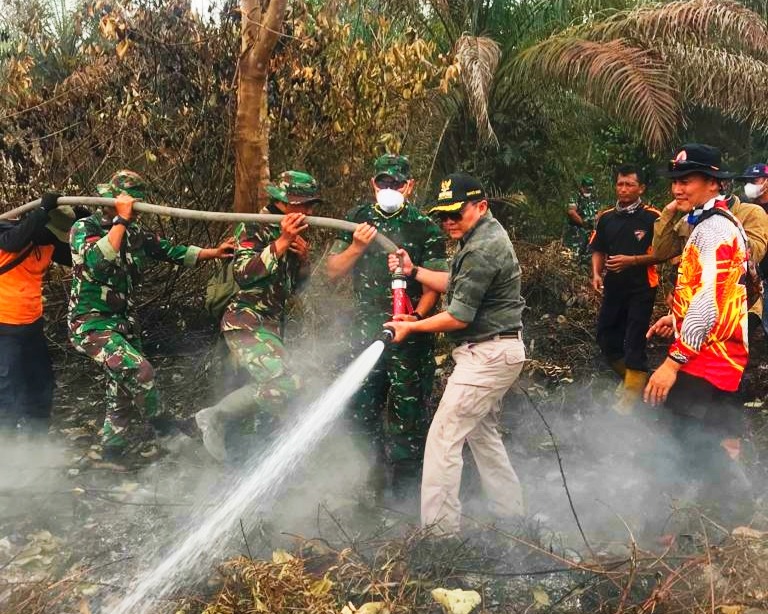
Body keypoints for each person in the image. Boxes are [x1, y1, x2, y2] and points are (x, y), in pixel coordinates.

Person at [384, 172, 526, 535]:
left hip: (488, 356)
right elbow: (455, 284)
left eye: (455, 214)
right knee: (481, 433)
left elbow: (459, 316)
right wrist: (414, 271)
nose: (448, 222)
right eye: (442, 216)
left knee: (444, 438)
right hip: (495, 351)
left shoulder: (481, 247)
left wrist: (410, 325)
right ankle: (511, 516)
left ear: (481, 206)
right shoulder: (479, 236)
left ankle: (439, 534)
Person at [68, 170, 233, 459]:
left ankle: (111, 449)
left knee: (121, 388)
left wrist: (213, 253)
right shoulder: (84, 228)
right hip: (90, 323)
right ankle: (167, 427)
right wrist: (120, 220)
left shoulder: (135, 234)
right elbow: (96, 263)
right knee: (139, 371)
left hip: (124, 323)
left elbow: (171, 250)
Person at [326, 154, 447, 499]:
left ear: (410, 186)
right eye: (383, 182)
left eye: (397, 183)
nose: (389, 189)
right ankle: (370, 485)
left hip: (409, 337)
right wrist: (357, 246)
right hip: (364, 333)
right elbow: (332, 271)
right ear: (373, 184)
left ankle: (407, 496)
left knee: (408, 417)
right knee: (361, 410)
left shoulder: (425, 227)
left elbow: (436, 285)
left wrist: (415, 319)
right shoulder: (357, 220)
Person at [645, 144, 751, 517]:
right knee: (701, 435)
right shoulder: (712, 224)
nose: (677, 189)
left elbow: (707, 305)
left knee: (678, 433)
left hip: (710, 354)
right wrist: (676, 318)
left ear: (712, 183)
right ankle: (719, 511)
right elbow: (719, 294)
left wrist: (672, 363)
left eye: (686, 180)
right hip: (713, 348)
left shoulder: (713, 231)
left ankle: (734, 508)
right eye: (675, 181)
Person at [195, 171, 321, 462]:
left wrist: (303, 260)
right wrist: (281, 242)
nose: (309, 212)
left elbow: (295, 289)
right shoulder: (256, 226)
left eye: (312, 205)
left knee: (278, 388)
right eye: (303, 204)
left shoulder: (293, 230)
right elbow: (244, 273)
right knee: (285, 381)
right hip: (245, 321)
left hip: (271, 325)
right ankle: (213, 418)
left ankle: (253, 451)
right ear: (283, 201)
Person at [0, 194, 85, 433]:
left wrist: (82, 216)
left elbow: (78, 257)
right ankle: (4, 448)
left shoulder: (47, 241)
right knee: (6, 387)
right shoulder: (6, 233)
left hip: (31, 326)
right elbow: (12, 242)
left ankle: (36, 439)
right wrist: (43, 209)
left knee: (41, 383)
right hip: (3, 327)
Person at [589, 165, 660, 413]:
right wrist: (597, 273)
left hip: (642, 288)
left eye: (630, 184)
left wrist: (632, 261)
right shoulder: (606, 217)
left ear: (641, 188)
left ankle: (629, 401)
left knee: (634, 338)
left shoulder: (653, 217)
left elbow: (665, 252)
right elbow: (597, 247)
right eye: (620, 184)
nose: (624, 189)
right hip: (614, 287)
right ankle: (636, 380)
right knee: (606, 336)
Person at [735, 163, 768, 335]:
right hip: (753, 276)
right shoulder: (746, 210)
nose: (749, 185)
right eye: (747, 181)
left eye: (754, 180)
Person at [564, 175, 599, 259]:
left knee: (589, 252)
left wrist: (596, 222)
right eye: (586, 188)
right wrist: (583, 223)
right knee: (574, 253)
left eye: (590, 189)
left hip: (591, 230)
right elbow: (571, 212)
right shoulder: (576, 196)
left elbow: (597, 211)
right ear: (582, 187)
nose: (588, 190)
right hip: (577, 230)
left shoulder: (592, 197)